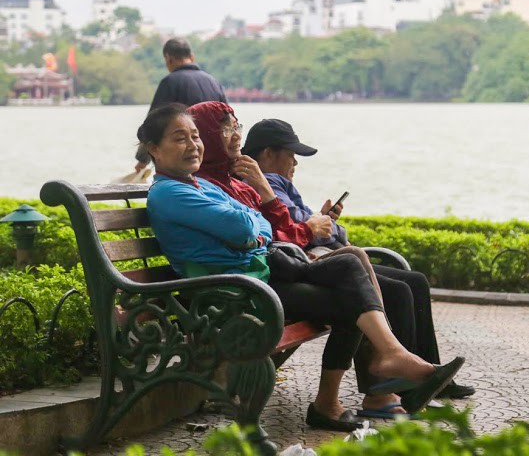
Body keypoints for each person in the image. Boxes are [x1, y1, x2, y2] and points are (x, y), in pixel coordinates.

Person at [137, 103, 463, 432]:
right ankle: (346, 389)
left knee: (350, 265)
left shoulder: (201, 186)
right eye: (180, 138)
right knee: (348, 296)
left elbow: (260, 226)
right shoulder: (170, 193)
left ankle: (387, 357)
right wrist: (251, 229)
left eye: (194, 136)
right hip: (235, 292)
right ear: (154, 149)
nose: (193, 145)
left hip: (259, 274)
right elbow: (243, 227)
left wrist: (251, 229)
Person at [241, 117, 477, 405]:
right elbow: (296, 229)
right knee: (399, 291)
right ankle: (409, 383)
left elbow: (309, 226)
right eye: (291, 155)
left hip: (315, 260)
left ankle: (429, 376)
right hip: (308, 267)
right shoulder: (266, 184)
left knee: (415, 281)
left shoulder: (278, 185)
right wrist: (319, 226)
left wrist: (323, 223)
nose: (296, 163)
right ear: (267, 154)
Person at [134, 38, 227, 172]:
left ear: (168, 59)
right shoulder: (213, 82)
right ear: (192, 57)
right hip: (215, 163)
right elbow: (228, 124)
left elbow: (152, 128)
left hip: (186, 162)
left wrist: (142, 162)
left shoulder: (170, 82)